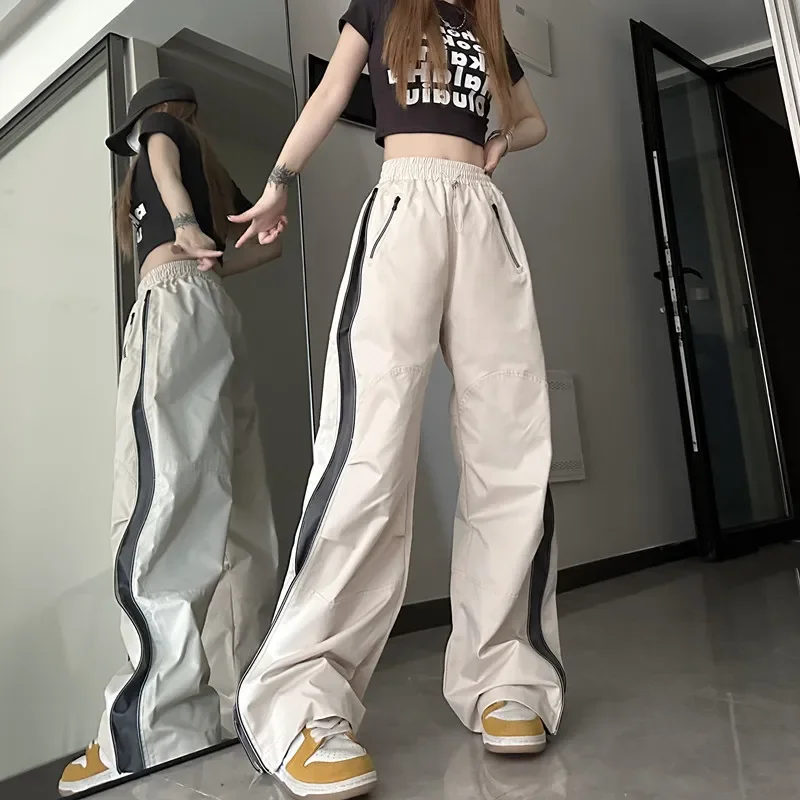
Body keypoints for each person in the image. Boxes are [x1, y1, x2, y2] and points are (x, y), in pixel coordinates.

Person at [233, 1, 565, 797]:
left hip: (481, 213)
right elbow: (331, 91)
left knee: (509, 442)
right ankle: (301, 698)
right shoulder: (383, 4)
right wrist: (279, 183)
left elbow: (533, 122)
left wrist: (499, 140)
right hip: (404, 203)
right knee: (368, 449)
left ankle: (507, 675)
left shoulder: (486, 24)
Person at [58, 78, 286, 796]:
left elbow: (156, 146)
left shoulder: (159, 136)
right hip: (216, 311)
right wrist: (211, 232)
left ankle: (156, 727)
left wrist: (181, 221)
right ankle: (247, 703)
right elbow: (244, 254)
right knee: (238, 512)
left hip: (173, 307)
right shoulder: (207, 165)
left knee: (160, 501)